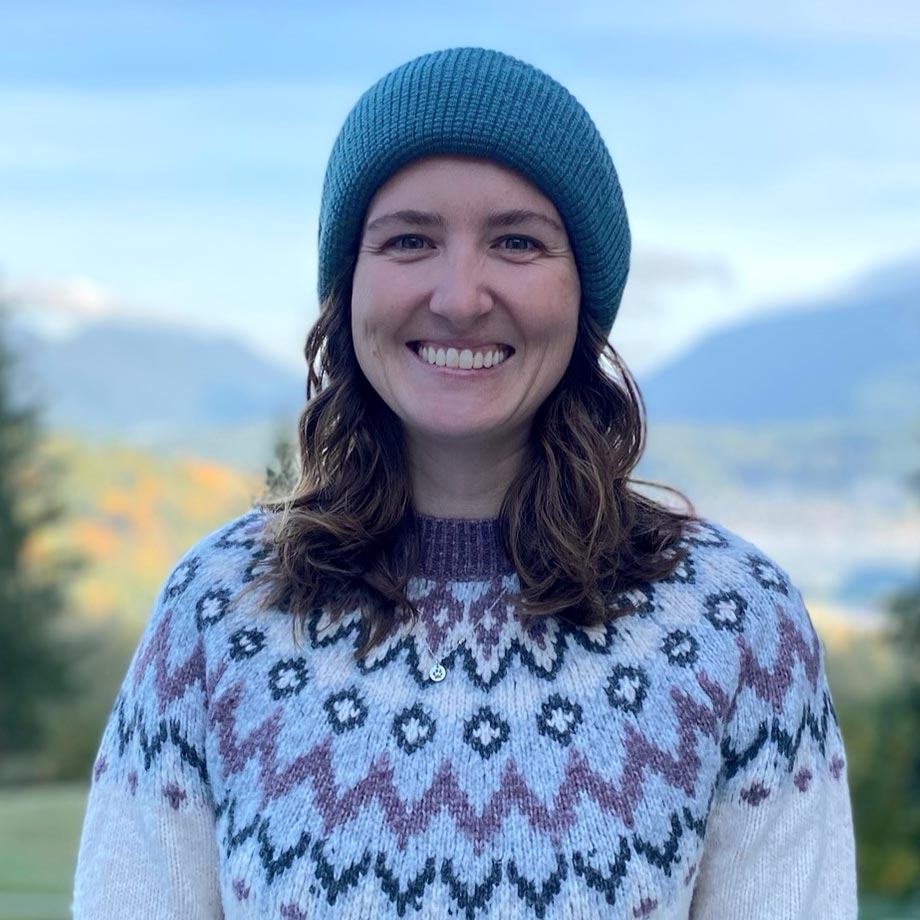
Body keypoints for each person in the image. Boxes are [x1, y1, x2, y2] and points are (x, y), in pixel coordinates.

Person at [72, 47, 858, 919]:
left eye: (516, 242)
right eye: (410, 239)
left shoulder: (737, 624)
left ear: (584, 294)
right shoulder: (216, 616)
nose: (459, 296)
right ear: (348, 286)